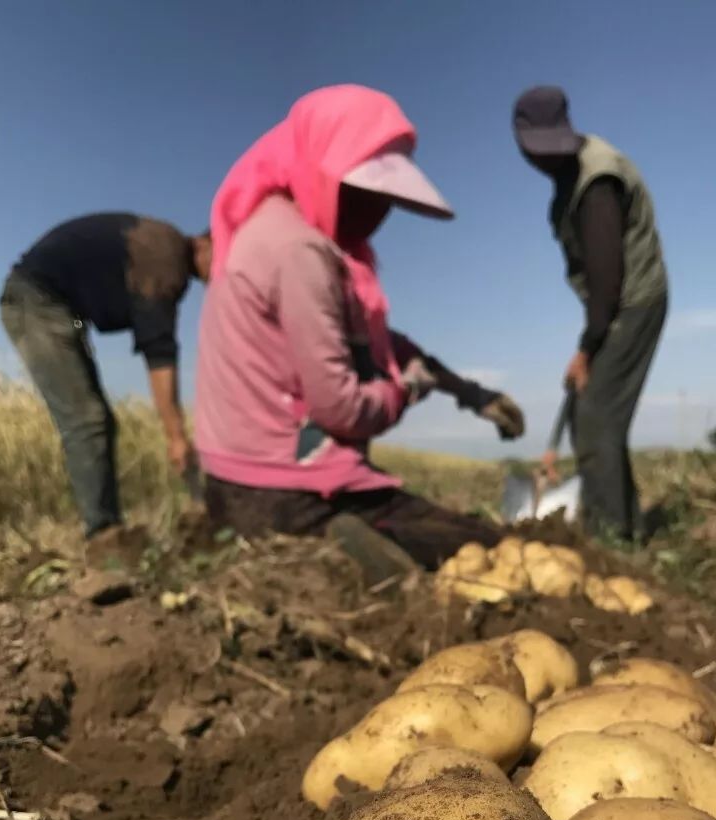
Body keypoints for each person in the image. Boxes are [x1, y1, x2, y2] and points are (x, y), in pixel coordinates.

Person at [194, 84, 525, 574]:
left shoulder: (274, 229)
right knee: (486, 548)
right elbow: (341, 408)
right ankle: (344, 551)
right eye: (365, 193)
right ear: (325, 174)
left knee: (460, 539)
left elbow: (381, 343)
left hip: (232, 481)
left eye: (384, 198)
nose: (376, 214)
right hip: (285, 492)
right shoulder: (300, 252)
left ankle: (352, 548)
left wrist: (471, 393)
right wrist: (402, 392)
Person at [0, 214, 212, 552]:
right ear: (204, 244)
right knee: (86, 419)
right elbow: (158, 350)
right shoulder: (165, 256)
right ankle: (104, 540)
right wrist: (176, 436)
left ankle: (109, 531)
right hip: (35, 300)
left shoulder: (161, 245)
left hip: (52, 302)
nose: (221, 277)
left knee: (97, 421)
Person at [513, 86, 668, 541]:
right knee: (591, 412)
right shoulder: (568, 179)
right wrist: (588, 343)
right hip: (612, 305)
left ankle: (610, 539)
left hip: (633, 302)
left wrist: (587, 348)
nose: (544, 159)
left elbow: (607, 283)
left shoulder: (597, 180)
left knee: (598, 413)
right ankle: (627, 526)